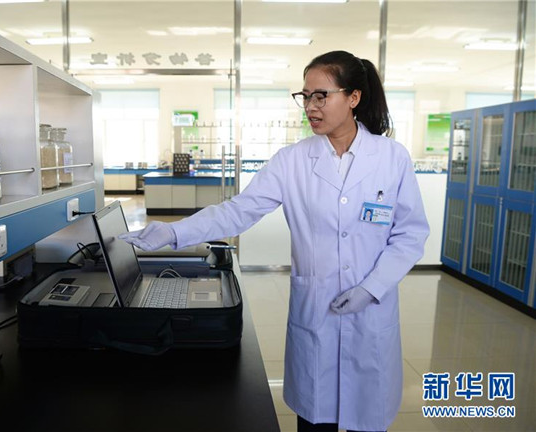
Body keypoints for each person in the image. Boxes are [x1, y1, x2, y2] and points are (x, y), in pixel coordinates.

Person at [120, 50, 430, 432]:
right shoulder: (292, 160)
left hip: (372, 314)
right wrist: (174, 232)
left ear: (353, 97)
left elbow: (410, 233)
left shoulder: (391, 158)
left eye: (321, 96)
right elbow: (239, 211)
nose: (310, 107)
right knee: (315, 421)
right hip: (317, 310)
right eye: (305, 96)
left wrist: (372, 287)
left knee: (366, 416)